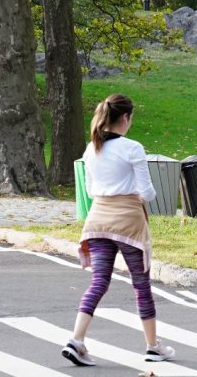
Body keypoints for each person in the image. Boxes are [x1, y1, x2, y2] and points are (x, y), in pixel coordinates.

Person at [61, 94, 175, 366]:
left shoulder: (92, 148)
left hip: (98, 220)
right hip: (128, 223)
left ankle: (77, 340)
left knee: (99, 282)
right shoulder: (132, 148)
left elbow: (89, 190)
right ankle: (152, 346)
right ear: (125, 118)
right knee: (141, 285)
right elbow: (147, 193)